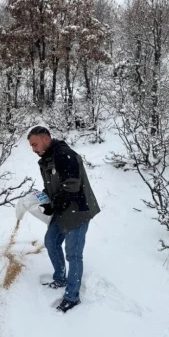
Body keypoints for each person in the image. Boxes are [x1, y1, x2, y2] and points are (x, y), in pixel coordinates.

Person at [28, 126, 100, 312]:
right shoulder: (46, 160)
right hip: (63, 209)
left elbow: (72, 186)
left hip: (79, 209)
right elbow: (53, 186)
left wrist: (54, 204)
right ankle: (60, 278)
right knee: (51, 241)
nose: (33, 149)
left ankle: (72, 296)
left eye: (35, 144)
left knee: (73, 254)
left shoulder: (65, 155)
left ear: (46, 139)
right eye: (31, 146)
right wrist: (42, 198)